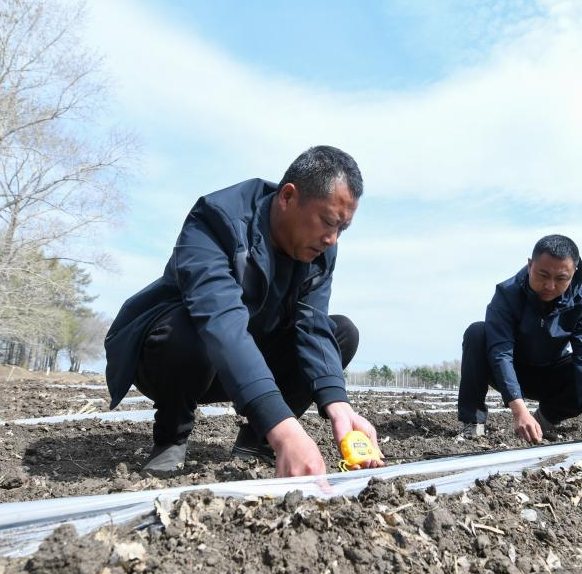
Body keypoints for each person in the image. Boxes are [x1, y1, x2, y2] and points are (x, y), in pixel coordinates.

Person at [104, 146, 384, 477]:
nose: (332, 239)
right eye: (327, 222)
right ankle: (171, 436)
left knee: (341, 333)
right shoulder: (215, 220)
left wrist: (338, 406)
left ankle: (257, 441)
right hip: (179, 357)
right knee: (186, 328)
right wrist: (286, 429)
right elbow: (221, 324)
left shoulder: (320, 250)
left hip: (250, 360)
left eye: (342, 229)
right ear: (288, 197)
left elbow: (313, 327)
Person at [457, 234, 582, 443]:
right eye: (543, 275)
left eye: (561, 278)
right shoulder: (507, 294)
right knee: (477, 332)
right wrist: (518, 410)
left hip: (550, 374)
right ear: (530, 265)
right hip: (510, 371)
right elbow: (501, 352)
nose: (550, 286)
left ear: (574, 273)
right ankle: (473, 423)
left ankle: (544, 419)